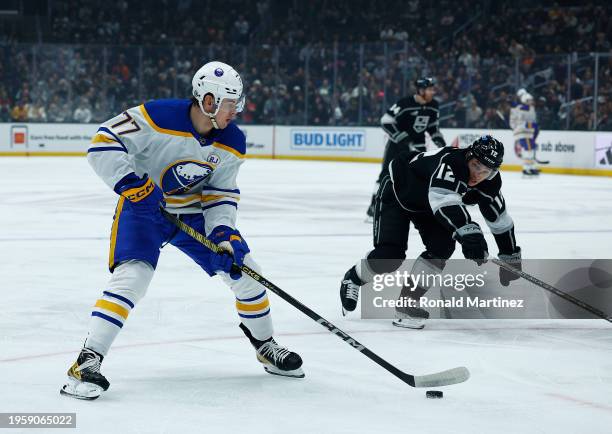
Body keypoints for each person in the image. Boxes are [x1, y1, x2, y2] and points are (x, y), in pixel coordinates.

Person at [61, 61, 304, 401]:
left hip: (193, 216)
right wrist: (134, 186)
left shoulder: (233, 140)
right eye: (231, 103)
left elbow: (220, 193)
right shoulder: (156, 116)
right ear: (208, 101)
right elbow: (102, 144)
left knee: (248, 273)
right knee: (133, 278)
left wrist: (223, 234)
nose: (237, 110)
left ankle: (265, 346)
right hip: (144, 208)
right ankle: (87, 361)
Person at [341, 136, 522, 329]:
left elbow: (500, 220)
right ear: (468, 156)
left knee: (442, 247)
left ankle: (406, 304)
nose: (478, 175)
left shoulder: (490, 184)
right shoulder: (452, 163)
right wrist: (469, 234)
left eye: (485, 171)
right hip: (399, 192)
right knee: (390, 256)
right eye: (476, 165)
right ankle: (353, 277)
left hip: (429, 207)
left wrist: (510, 255)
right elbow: (443, 199)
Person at [366, 77, 446, 220]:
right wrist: (403, 139)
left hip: (418, 147)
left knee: (421, 177)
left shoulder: (434, 105)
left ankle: (417, 209)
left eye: (433, 89)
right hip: (396, 147)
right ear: (421, 90)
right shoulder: (404, 103)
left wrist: (440, 142)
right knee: (386, 176)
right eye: (429, 89)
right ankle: (374, 207)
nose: (432, 92)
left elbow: (433, 128)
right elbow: (386, 121)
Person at [510, 89, 540, 176]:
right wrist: (530, 125)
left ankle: (531, 167)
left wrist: (533, 127)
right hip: (523, 133)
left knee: (531, 149)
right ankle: (526, 168)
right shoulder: (520, 109)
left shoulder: (531, 108)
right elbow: (520, 122)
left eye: (531, 100)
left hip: (529, 133)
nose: (531, 102)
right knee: (528, 150)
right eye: (528, 100)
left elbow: (532, 120)